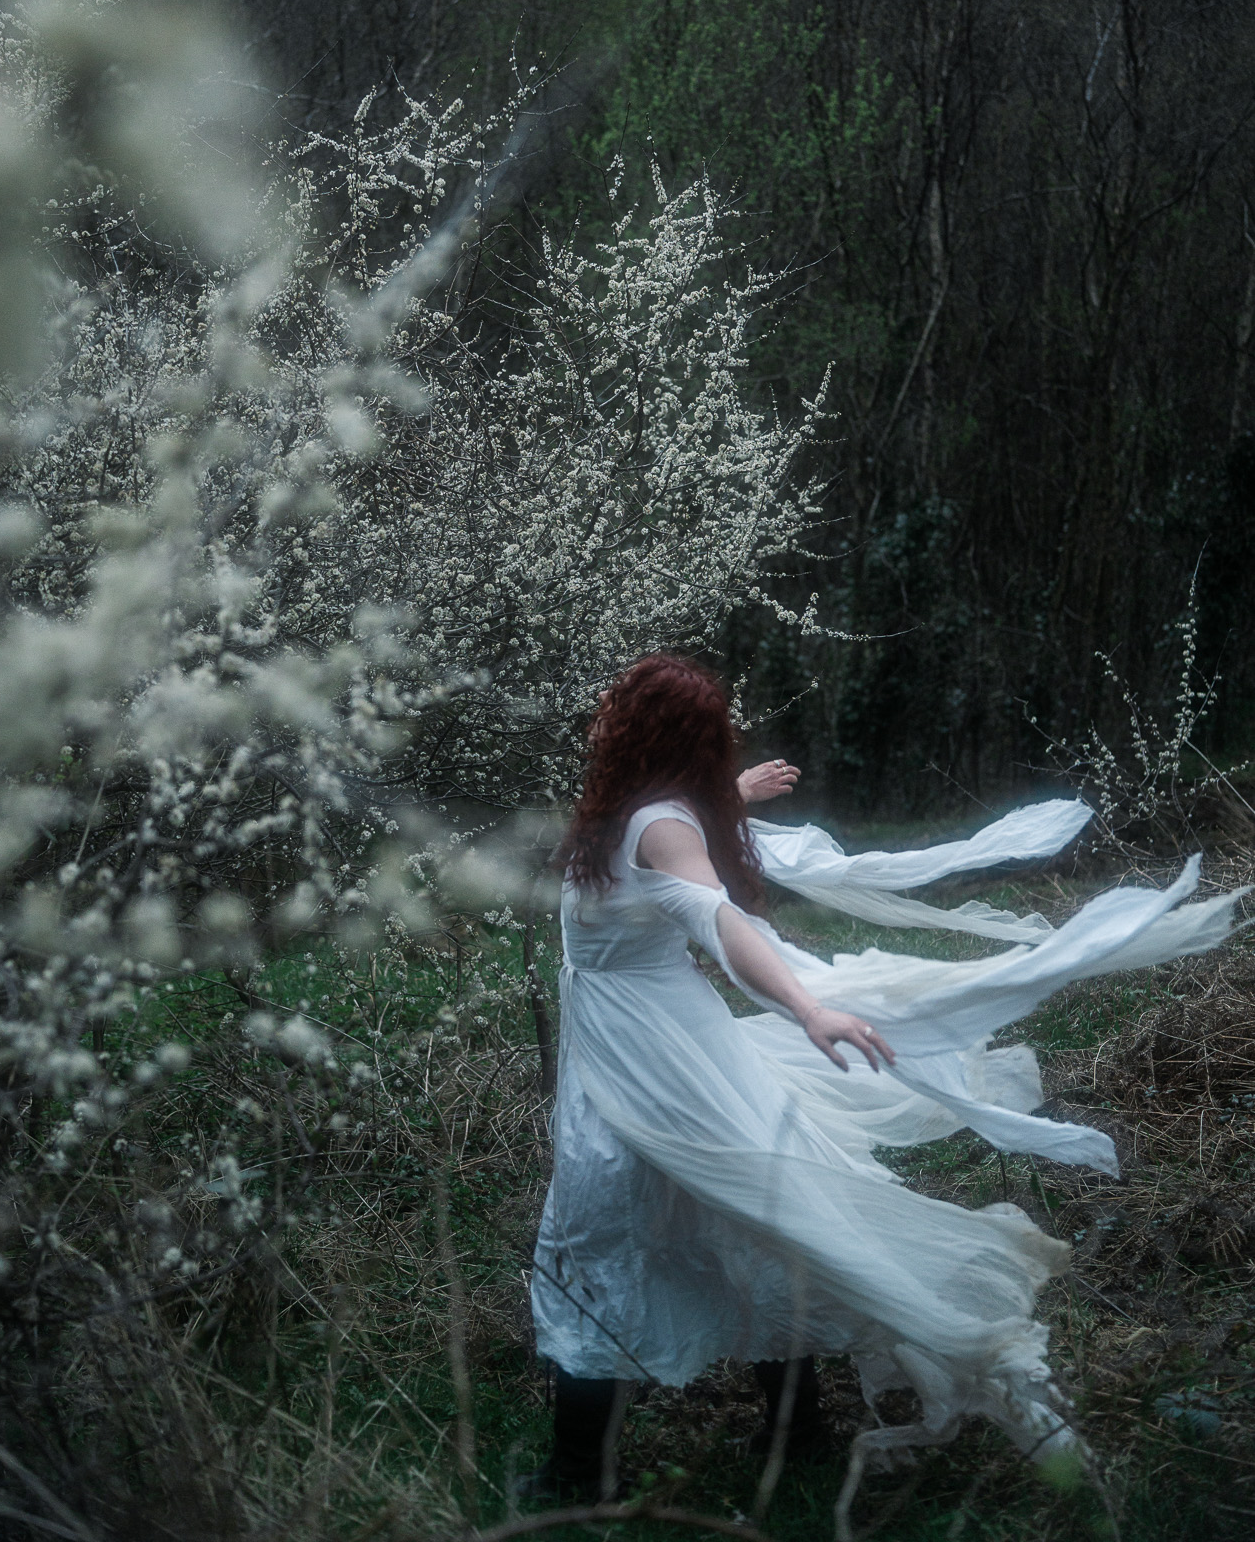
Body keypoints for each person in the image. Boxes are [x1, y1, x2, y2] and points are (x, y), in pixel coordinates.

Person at [524, 652, 1247, 1523]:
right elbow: (668, 856)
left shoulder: (660, 825)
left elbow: (715, 918)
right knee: (742, 1211)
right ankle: (791, 1428)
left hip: (658, 1057)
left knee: (622, 1228)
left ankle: (582, 1475)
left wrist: (802, 1005)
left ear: (642, 731)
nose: (600, 716)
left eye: (615, 707)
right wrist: (732, 796)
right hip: (630, 1043)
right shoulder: (643, 812)